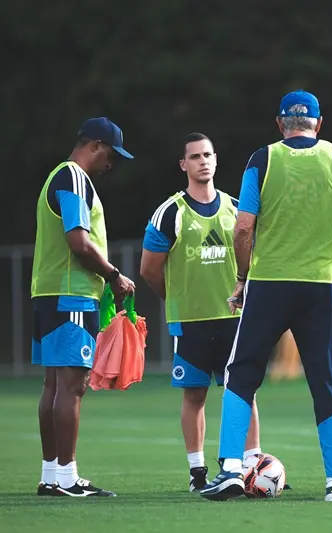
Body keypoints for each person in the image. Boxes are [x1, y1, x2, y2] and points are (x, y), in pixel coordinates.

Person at [200, 90, 332, 502]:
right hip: (323, 285)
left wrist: (241, 276)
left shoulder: (263, 159)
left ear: (279, 124)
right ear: (318, 124)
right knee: (328, 382)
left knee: (241, 373)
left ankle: (232, 469)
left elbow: (242, 228)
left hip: (269, 283)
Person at [139, 133, 263, 492]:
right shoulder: (170, 213)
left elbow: (254, 258)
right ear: (184, 165)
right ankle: (198, 473)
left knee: (243, 392)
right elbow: (149, 270)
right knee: (194, 395)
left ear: (216, 159)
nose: (202, 161)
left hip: (234, 318)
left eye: (207, 154)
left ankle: (253, 467)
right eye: (194, 156)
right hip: (190, 323)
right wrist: (176, 297)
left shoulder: (236, 208)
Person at [31, 117, 136, 497]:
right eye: (111, 154)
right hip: (72, 294)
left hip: (47, 292)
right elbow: (78, 241)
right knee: (72, 387)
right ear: (95, 145)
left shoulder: (54, 176)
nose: (112, 163)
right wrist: (113, 275)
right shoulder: (74, 177)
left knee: (53, 386)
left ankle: (50, 475)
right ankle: (67, 476)